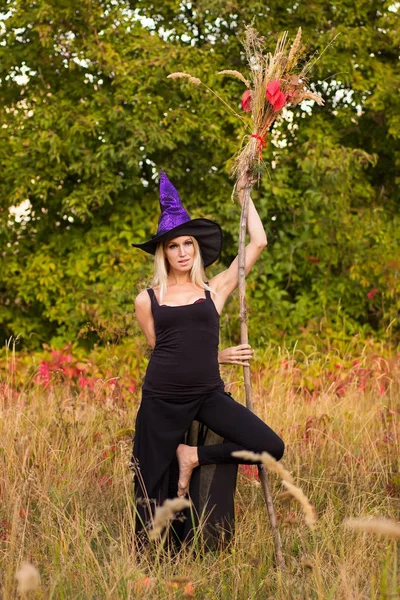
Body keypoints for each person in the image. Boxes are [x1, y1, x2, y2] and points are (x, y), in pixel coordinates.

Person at [131, 170, 284, 547]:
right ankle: (152, 566)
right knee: (151, 490)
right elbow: (165, 349)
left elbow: (259, 241)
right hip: (160, 400)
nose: (182, 252)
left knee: (269, 446)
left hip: (206, 394)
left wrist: (245, 192)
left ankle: (193, 455)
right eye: (173, 246)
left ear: (197, 248)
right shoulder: (147, 300)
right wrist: (218, 354)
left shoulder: (213, 290)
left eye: (188, 244)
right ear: (162, 252)